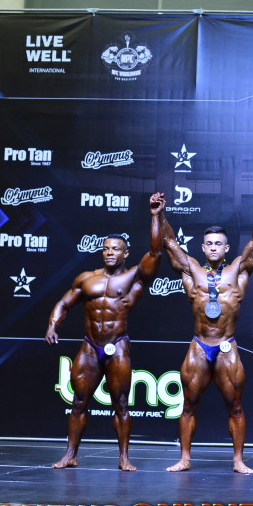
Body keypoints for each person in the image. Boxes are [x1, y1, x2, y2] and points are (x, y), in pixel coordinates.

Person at [45, 193, 165, 471]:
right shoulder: (87, 278)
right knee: (78, 402)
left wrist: (155, 216)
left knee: (121, 403)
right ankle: (70, 455)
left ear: (125, 253)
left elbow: (156, 253)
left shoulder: (134, 277)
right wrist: (52, 324)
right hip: (90, 346)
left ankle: (123, 458)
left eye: (116, 249)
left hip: (117, 345)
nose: (110, 252)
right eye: (106, 249)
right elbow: (64, 302)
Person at [162, 188, 253, 473]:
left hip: (226, 345)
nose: (213, 247)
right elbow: (169, 242)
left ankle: (238, 460)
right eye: (209, 243)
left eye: (218, 244)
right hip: (199, 345)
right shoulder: (191, 270)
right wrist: (159, 214)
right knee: (188, 405)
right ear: (202, 247)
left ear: (226, 248)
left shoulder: (238, 270)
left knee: (235, 406)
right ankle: (184, 459)